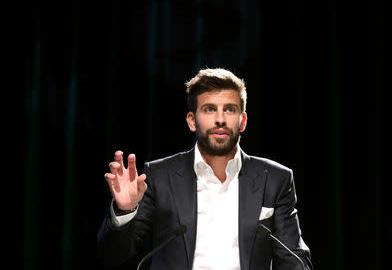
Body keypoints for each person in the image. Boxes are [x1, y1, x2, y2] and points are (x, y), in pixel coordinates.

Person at [97, 68, 313, 269]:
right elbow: (113, 256)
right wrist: (125, 211)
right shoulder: (160, 176)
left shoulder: (275, 179)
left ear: (243, 120)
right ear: (192, 121)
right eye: (209, 109)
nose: (220, 119)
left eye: (230, 109)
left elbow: (294, 260)